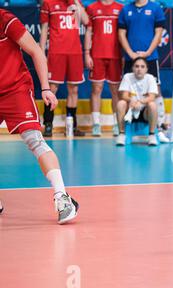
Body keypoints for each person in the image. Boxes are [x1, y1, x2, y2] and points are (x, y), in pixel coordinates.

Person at [0, 9, 79, 224]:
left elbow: (36, 51)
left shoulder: (5, 20)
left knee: (34, 139)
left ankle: (63, 198)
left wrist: (45, 88)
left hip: (15, 89)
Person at [118, 0, 170, 143]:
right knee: (126, 92)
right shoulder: (125, 9)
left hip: (150, 57)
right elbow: (121, 34)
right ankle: (123, 131)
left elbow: (158, 33)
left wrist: (147, 53)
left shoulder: (155, 8)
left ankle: (159, 129)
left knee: (156, 90)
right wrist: (131, 53)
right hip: (130, 58)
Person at [39, 0, 89, 137]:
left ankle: (71, 125)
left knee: (74, 89)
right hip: (57, 51)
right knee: (52, 88)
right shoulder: (48, 3)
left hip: (75, 52)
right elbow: (44, 29)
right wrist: (41, 52)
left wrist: (76, 3)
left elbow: (86, 21)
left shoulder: (76, 3)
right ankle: (48, 124)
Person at [85, 0, 123, 137]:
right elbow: (89, 31)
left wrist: (123, 54)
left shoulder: (120, 8)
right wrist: (87, 53)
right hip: (97, 54)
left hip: (115, 55)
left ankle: (116, 123)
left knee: (116, 91)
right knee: (96, 89)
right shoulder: (92, 8)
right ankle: (96, 124)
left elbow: (123, 33)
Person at [115, 57, 159, 146]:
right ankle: (122, 134)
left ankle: (151, 135)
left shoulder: (150, 78)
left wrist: (140, 102)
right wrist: (131, 100)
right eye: (137, 66)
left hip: (145, 113)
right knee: (121, 103)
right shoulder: (127, 77)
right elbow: (123, 95)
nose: (139, 69)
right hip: (130, 112)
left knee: (152, 105)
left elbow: (152, 97)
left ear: (146, 69)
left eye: (142, 67)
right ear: (133, 68)